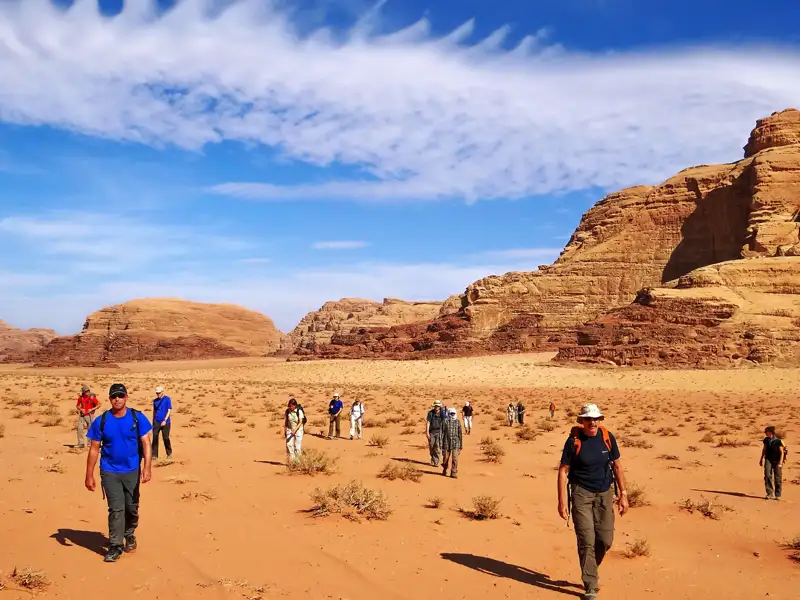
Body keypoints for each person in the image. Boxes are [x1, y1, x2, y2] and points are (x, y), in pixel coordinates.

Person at [557, 403, 629, 600]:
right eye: (589, 419)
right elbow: (563, 471)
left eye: (596, 419)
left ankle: (590, 567)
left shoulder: (607, 438)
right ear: (582, 421)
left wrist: (623, 494)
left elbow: (617, 466)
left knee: (605, 540)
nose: (593, 422)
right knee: (586, 540)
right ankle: (590, 585)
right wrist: (562, 501)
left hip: (605, 493)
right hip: (581, 494)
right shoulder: (573, 442)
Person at [84, 383, 153, 563]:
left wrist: (147, 467)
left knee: (131, 507)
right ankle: (115, 545)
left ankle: (129, 534)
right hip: (109, 471)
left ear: (126, 397)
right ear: (109, 399)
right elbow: (94, 449)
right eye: (114, 396)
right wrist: (89, 474)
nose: (117, 399)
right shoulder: (102, 420)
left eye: (120, 396)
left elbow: (146, 443)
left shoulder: (137, 417)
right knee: (116, 509)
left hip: (132, 470)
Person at [760, 426, 786, 500]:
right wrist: (761, 459)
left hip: (777, 460)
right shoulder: (766, 440)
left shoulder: (778, 441)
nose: (765, 433)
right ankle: (769, 493)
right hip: (768, 459)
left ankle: (777, 495)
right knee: (767, 475)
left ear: (770, 432)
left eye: (766, 431)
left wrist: (780, 463)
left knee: (777, 478)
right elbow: (764, 449)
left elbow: (782, 453)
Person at [151, 385, 173, 459]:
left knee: (166, 438)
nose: (158, 394)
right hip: (156, 422)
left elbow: (169, 410)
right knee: (155, 438)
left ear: (162, 392)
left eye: (159, 393)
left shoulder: (167, 399)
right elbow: (154, 411)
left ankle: (169, 453)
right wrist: (153, 421)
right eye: (157, 393)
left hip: (166, 423)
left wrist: (165, 420)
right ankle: (154, 455)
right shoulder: (155, 401)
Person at [442, 407, 463, 478]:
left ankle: (453, 472)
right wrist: (441, 443)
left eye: (453, 413)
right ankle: (445, 468)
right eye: (451, 413)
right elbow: (442, 432)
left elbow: (460, 434)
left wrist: (460, 445)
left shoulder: (458, 422)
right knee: (445, 458)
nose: (452, 415)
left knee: (455, 458)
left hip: (455, 443)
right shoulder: (445, 421)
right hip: (446, 442)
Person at [426, 400, 446, 467]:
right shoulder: (430, 413)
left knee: (437, 446)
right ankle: (433, 458)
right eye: (435, 406)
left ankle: (436, 461)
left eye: (438, 406)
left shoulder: (442, 413)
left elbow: (445, 422)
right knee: (431, 447)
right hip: (431, 432)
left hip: (439, 432)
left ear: (440, 406)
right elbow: (428, 423)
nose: (436, 407)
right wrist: (427, 432)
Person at [285, 398, 305, 462]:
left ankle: (298, 462)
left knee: (297, 446)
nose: (291, 407)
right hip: (290, 429)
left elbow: (300, 422)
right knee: (289, 444)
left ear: (295, 405)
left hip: (298, 430)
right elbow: (286, 421)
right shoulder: (287, 411)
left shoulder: (299, 411)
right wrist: (285, 430)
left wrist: (295, 430)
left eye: (292, 406)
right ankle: (292, 460)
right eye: (290, 406)